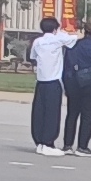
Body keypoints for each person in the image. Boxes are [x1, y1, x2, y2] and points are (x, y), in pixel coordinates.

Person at [62, 22, 91, 153]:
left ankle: (67, 145)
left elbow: (66, 67)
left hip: (73, 83)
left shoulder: (73, 46)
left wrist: (66, 85)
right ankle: (82, 146)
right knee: (88, 116)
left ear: (85, 30)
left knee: (72, 115)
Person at [29, 13, 70, 153]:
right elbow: (75, 38)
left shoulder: (37, 42)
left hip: (41, 81)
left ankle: (39, 141)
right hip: (53, 81)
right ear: (55, 29)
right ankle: (48, 143)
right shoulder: (58, 39)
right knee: (52, 113)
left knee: (39, 112)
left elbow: (33, 57)